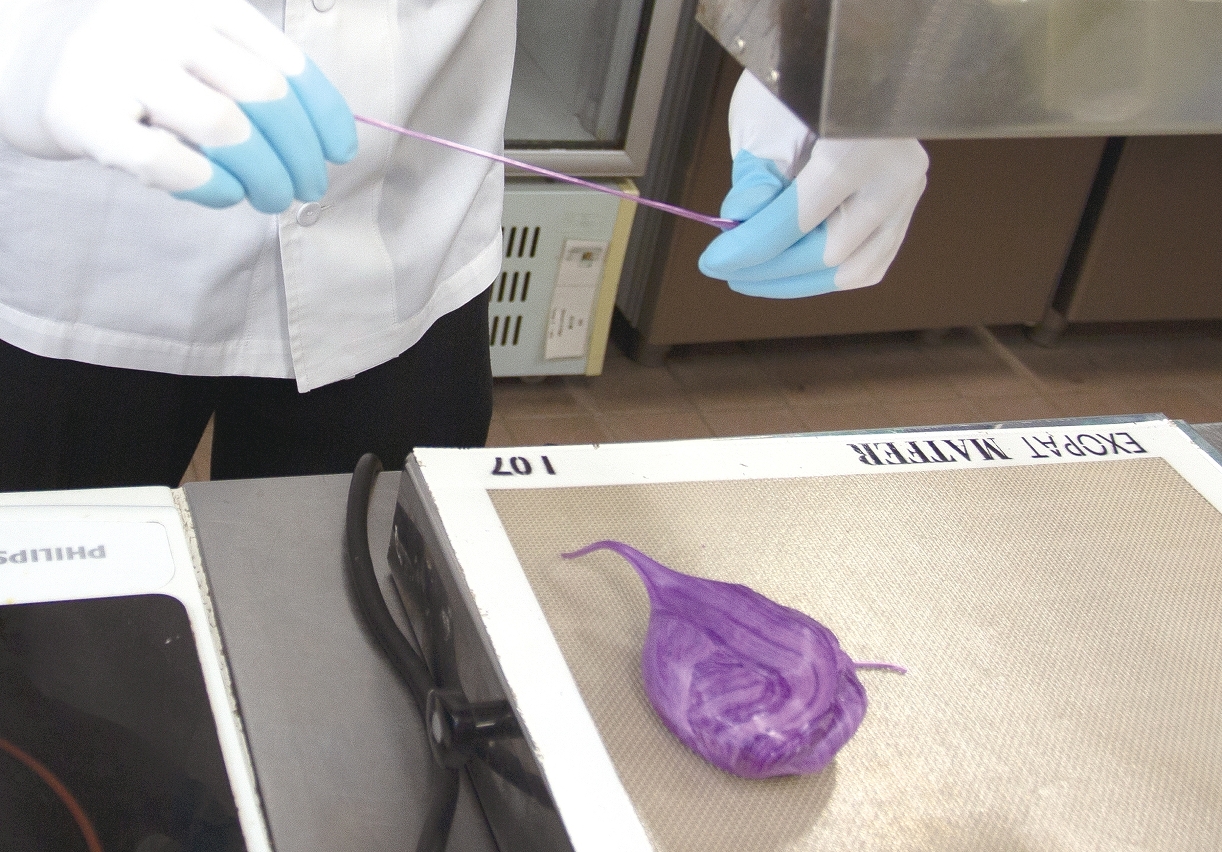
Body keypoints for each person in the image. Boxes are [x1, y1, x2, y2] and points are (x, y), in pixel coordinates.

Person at [0, 0, 927, 492]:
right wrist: (27, 42)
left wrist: (832, 47)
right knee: (39, 663)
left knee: (364, 645)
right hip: (66, 247)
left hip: (405, 251)